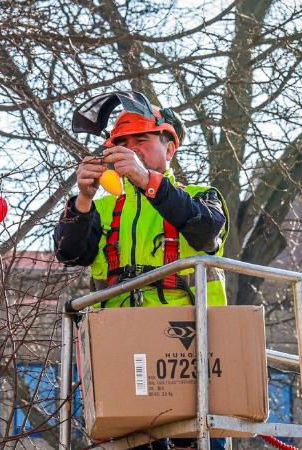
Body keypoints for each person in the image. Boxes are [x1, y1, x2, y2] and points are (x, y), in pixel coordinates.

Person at [56, 92, 228, 450]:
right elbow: (69, 253)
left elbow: (205, 230)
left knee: (195, 439)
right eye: (121, 143)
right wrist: (83, 199)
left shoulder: (201, 196)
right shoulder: (102, 209)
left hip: (189, 352)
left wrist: (145, 178)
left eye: (141, 140)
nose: (129, 149)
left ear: (169, 149)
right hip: (122, 350)